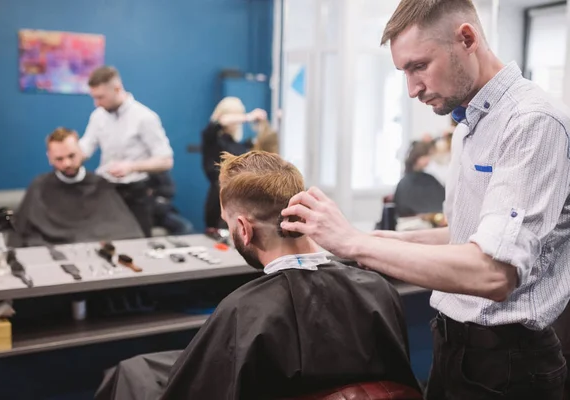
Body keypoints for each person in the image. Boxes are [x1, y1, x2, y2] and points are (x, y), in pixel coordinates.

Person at [280, 0, 570, 399]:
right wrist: (360, 240)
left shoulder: (531, 122)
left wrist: (355, 242)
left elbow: (493, 273)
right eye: (405, 72)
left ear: (466, 38)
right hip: (453, 345)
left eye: (419, 66)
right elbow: (463, 236)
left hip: (509, 364)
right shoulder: (470, 124)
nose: (413, 89)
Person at [95, 151, 420, 400]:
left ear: (243, 229)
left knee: (128, 374)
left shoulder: (243, 311)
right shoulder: (377, 288)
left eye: (227, 222)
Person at [79, 66, 174, 237]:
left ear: (117, 89)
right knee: (103, 241)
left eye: (100, 97)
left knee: (138, 246)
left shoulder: (145, 117)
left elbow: (165, 160)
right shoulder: (98, 116)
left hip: (136, 194)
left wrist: (131, 166)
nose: (97, 103)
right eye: (94, 97)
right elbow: (85, 148)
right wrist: (68, 154)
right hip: (107, 192)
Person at [9, 128, 143, 247]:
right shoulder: (39, 186)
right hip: (54, 253)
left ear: (81, 152)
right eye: (59, 159)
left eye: (71, 156)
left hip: (96, 252)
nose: (66, 163)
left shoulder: (99, 184)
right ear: (49, 158)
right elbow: (22, 233)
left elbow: (126, 229)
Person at [201, 96, 267, 232]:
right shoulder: (211, 136)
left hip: (240, 199)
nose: (238, 121)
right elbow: (222, 121)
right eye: (236, 116)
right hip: (220, 199)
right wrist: (249, 116)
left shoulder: (236, 144)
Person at [394, 140, 445, 217]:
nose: (428, 159)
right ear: (417, 157)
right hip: (411, 221)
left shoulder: (429, 179)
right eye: (426, 156)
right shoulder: (406, 183)